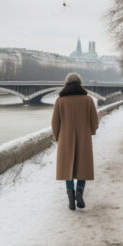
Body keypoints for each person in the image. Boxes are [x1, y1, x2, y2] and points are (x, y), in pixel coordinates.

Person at [51, 73, 99, 210]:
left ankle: (71, 197)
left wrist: (56, 136)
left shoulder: (60, 101)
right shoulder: (88, 100)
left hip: (65, 138)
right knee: (83, 167)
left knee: (68, 168)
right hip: (84, 138)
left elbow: (55, 122)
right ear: (80, 84)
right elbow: (94, 120)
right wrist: (92, 130)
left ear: (66, 84)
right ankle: (79, 192)